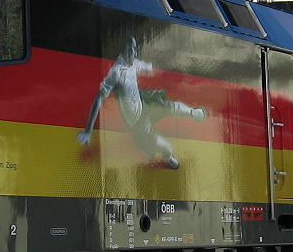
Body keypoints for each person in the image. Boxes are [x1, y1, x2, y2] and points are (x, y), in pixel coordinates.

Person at [77, 37, 206, 169]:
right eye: (129, 49)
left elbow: (149, 66)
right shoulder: (116, 73)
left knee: (168, 105)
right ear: (122, 51)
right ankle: (167, 156)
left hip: (145, 104)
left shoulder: (134, 63)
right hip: (137, 122)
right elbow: (99, 99)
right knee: (166, 147)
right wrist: (88, 131)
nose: (133, 52)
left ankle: (192, 113)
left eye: (134, 49)